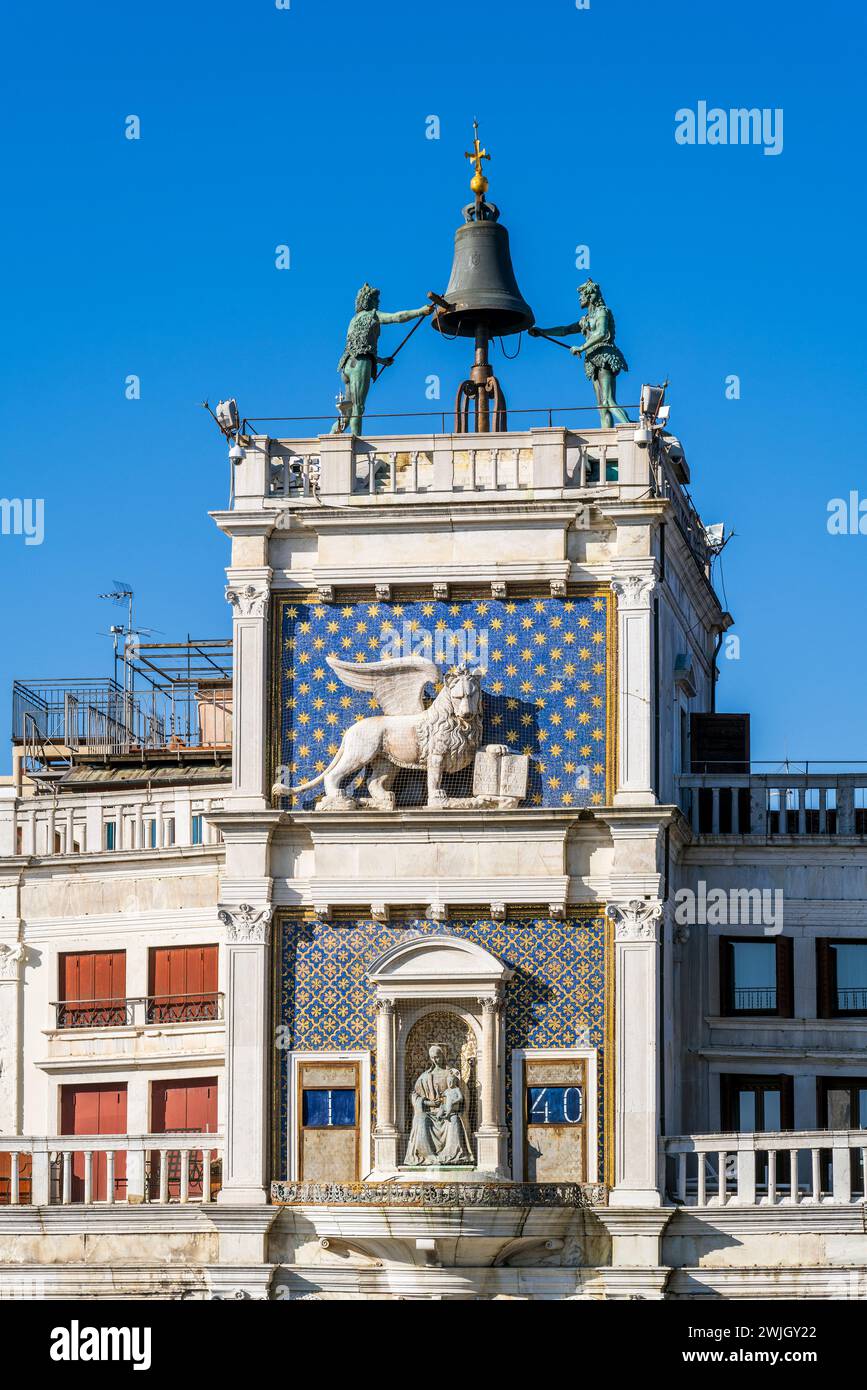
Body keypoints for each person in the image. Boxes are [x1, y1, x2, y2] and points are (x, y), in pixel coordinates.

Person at [331, 284, 433, 435]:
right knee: (358, 408)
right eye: (375, 299)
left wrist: (381, 361)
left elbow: (358, 347)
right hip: (361, 364)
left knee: (347, 412)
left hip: (346, 366)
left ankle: (330, 436)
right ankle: (357, 446)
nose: (378, 303)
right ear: (368, 301)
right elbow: (397, 317)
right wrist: (420, 311)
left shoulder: (353, 320)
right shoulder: (373, 315)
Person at [530, 278, 631, 428]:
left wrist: (581, 347)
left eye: (582, 295)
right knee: (601, 406)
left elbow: (602, 333)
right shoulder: (585, 319)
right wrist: (543, 332)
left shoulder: (602, 312)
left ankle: (630, 428)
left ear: (590, 296)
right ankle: (606, 437)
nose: (579, 298)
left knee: (609, 401)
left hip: (604, 356)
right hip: (592, 360)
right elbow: (565, 330)